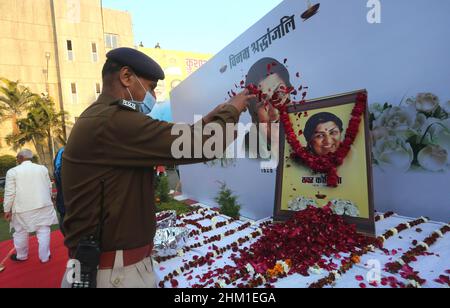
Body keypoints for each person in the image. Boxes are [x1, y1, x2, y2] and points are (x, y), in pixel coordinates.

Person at [61, 47, 253, 288]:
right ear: (126, 77)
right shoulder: (114, 122)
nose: (151, 95)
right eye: (150, 87)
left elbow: (171, 139)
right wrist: (233, 109)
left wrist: (208, 119)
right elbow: (204, 145)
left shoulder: (103, 118)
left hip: (107, 267)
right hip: (114, 274)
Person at [3, 149, 58, 263]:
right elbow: (49, 186)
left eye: (17, 157)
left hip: (22, 208)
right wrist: (50, 199)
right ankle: (44, 257)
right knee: (44, 230)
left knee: (20, 232)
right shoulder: (42, 169)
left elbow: (9, 192)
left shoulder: (12, 171)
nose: (16, 159)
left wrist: (7, 209)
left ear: (21, 157)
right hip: (43, 205)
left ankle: (21, 256)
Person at [243, 57, 292, 162]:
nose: (274, 112)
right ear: (254, 112)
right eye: (263, 103)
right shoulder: (251, 148)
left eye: (279, 93)